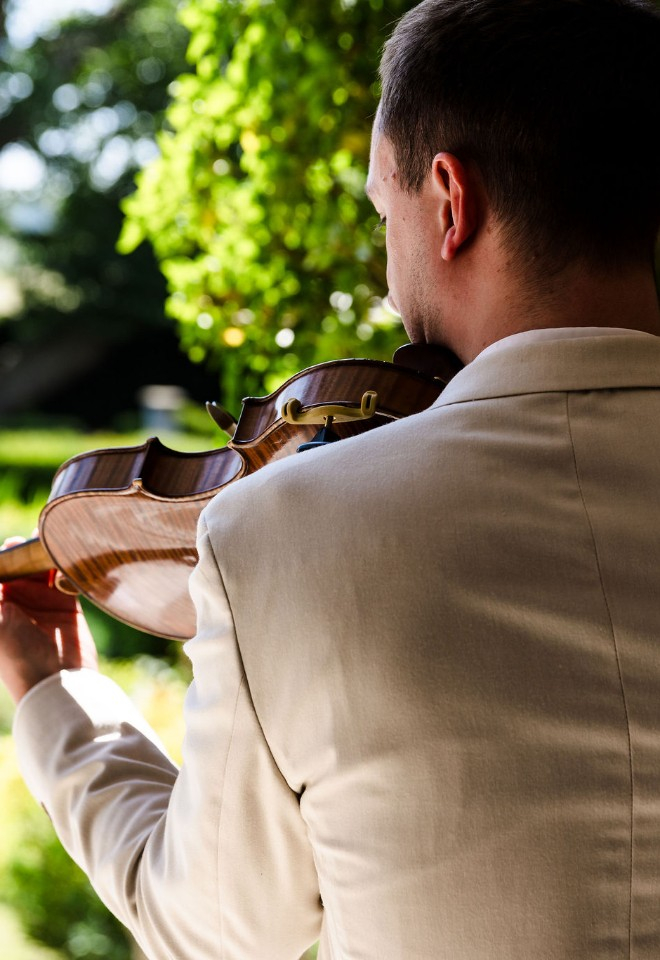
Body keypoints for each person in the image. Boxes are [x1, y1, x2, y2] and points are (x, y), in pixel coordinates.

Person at [2, 0, 660, 956]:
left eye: (385, 212)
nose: (390, 289)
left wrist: (56, 695)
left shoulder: (281, 535)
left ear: (451, 200)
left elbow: (213, 929)